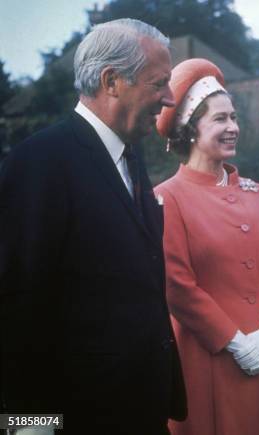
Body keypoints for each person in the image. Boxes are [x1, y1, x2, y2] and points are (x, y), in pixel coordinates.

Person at [0, 18, 186, 434]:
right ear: (112, 80)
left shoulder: (129, 156)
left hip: (141, 405)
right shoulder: (38, 163)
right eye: (159, 84)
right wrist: (28, 423)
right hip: (78, 416)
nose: (169, 97)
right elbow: (15, 303)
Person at [154, 58, 259, 435]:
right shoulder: (167, 199)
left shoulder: (257, 193)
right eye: (219, 119)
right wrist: (236, 343)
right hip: (208, 363)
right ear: (189, 128)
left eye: (233, 117)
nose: (233, 127)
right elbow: (177, 287)